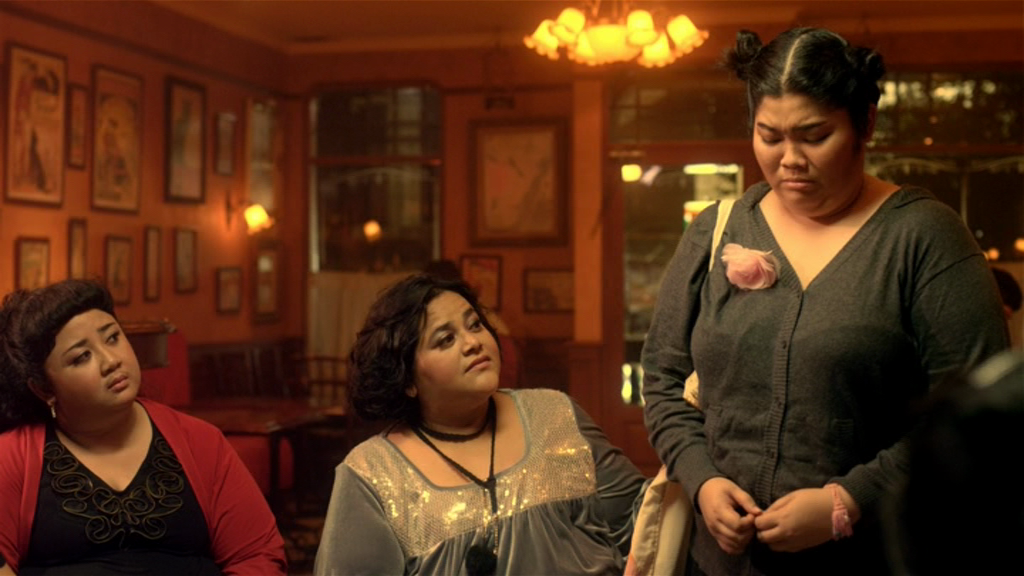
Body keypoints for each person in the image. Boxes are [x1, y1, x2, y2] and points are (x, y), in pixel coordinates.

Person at [640, 27, 1009, 575]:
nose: (790, 159)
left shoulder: (923, 238)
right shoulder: (717, 229)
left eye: (814, 136)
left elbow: (976, 411)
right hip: (718, 562)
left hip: (868, 558)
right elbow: (663, 378)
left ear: (866, 125)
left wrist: (849, 501)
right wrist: (702, 478)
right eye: (769, 136)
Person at [314, 273, 645, 575]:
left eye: (474, 325)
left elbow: (643, 523)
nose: (473, 342)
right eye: (445, 339)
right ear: (407, 379)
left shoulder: (555, 415)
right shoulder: (373, 474)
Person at [0, 279, 287, 575]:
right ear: (44, 389)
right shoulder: (12, 457)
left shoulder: (200, 441)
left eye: (113, 338)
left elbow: (257, 555)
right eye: (82, 357)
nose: (111, 361)